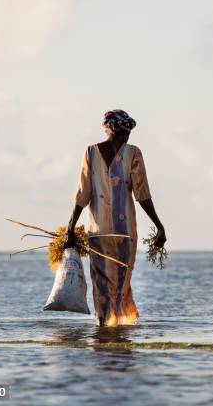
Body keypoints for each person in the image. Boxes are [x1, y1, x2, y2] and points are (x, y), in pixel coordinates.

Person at [65, 109, 166, 327]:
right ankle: (111, 329)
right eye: (121, 134)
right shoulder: (103, 153)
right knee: (111, 284)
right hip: (110, 233)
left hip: (112, 232)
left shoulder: (118, 153)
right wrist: (70, 228)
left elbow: (140, 194)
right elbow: (84, 194)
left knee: (112, 284)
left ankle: (110, 328)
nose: (124, 139)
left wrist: (159, 226)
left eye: (126, 136)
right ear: (111, 130)